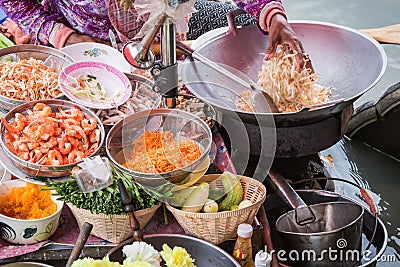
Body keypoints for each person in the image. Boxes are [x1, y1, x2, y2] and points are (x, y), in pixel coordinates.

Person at [0, 0, 308, 70]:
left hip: (169, 21)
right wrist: (63, 36)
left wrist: (273, 16)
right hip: (89, 42)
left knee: (240, 20)